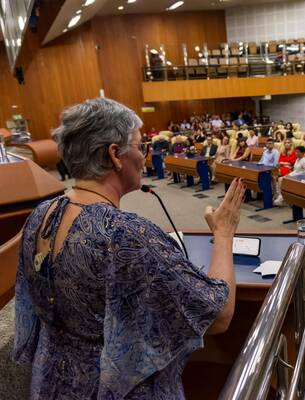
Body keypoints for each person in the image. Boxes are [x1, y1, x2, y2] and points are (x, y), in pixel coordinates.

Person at [13, 97, 245, 399]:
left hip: (52, 385)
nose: (144, 155)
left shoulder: (40, 215)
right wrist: (224, 234)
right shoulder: (124, 235)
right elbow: (218, 315)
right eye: (140, 145)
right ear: (115, 155)